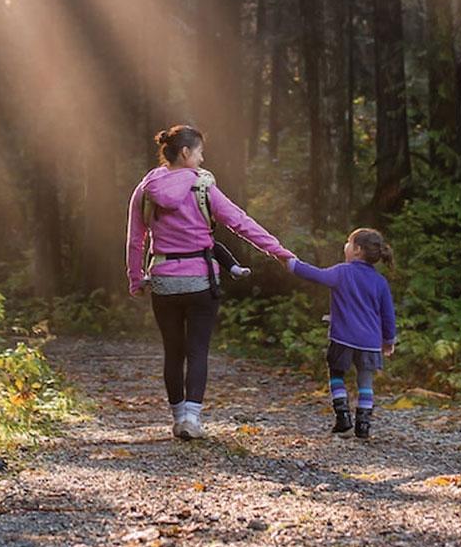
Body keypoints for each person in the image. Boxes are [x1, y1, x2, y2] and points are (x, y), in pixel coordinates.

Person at [126, 125, 293, 440]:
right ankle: (192, 418)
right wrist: (278, 252)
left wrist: (136, 279)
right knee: (198, 350)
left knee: (173, 351)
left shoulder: (146, 188)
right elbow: (240, 222)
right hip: (201, 280)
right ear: (186, 153)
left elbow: (136, 239)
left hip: (163, 281)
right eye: (200, 152)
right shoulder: (202, 187)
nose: (202, 159)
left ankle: (177, 419)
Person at [286, 228, 397, 439]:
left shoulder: (342, 272)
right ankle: (363, 424)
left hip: (343, 338)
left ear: (357, 250)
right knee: (366, 381)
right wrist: (388, 340)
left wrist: (292, 264)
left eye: (348, 242)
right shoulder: (380, 282)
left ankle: (343, 417)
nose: (345, 245)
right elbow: (388, 315)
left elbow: (316, 275)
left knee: (336, 374)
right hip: (370, 342)